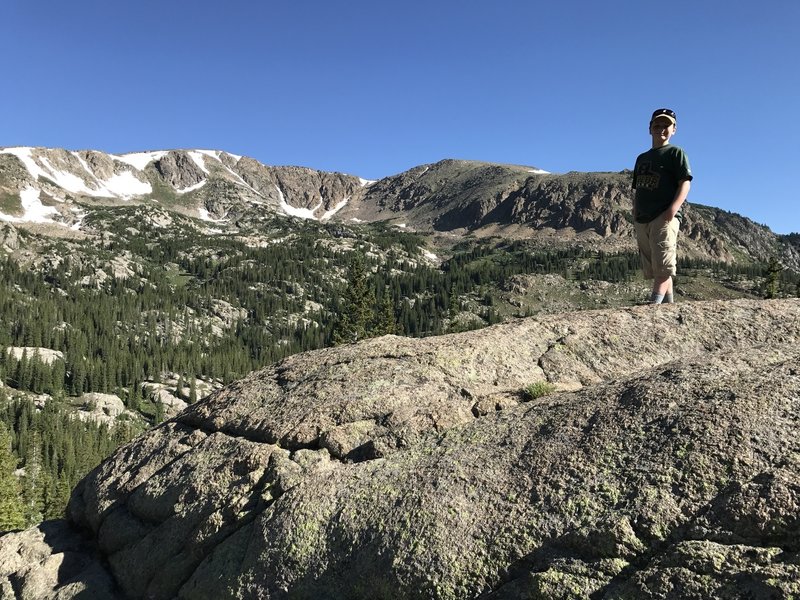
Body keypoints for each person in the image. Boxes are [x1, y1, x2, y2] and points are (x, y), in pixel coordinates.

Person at [632, 108, 693, 304]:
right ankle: (669, 306)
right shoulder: (641, 158)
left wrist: (672, 210)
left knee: (664, 265)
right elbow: (639, 188)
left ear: (674, 129)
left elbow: (685, 182)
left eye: (666, 125)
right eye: (657, 125)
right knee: (657, 266)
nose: (661, 129)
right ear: (649, 129)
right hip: (643, 219)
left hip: (664, 215)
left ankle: (653, 306)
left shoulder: (675, 152)